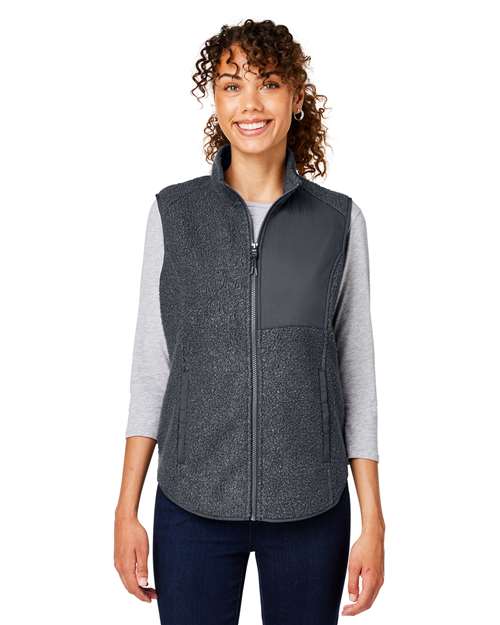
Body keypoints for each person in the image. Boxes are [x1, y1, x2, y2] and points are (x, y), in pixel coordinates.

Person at [114, 18, 385, 625]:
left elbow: (356, 373)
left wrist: (373, 521)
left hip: (311, 508)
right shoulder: (174, 214)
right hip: (192, 504)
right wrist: (126, 509)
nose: (251, 104)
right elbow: (153, 368)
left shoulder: (338, 221)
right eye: (232, 85)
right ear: (215, 100)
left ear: (296, 96)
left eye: (269, 83)